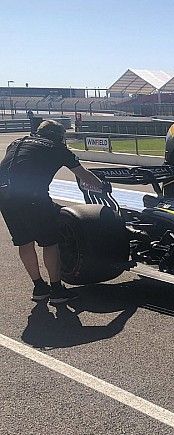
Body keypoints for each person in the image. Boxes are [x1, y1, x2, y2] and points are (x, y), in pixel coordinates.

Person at [0, 120, 103, 303]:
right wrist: (103, 187)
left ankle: (39, 287)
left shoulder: (17, 142)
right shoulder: (56, 147)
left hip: (4, 196)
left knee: (24, 242)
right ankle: (56, 289)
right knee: (50, 242)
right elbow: (84, 175)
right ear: (58, 136)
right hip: (32, 197)